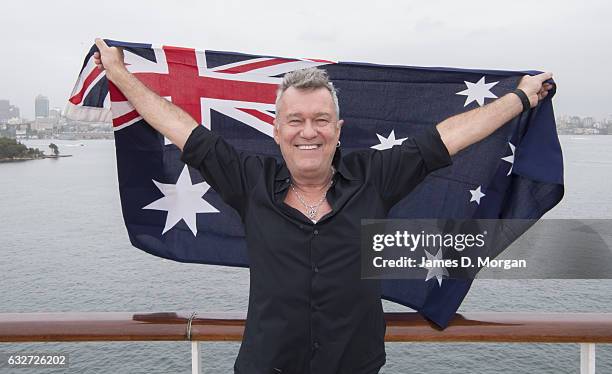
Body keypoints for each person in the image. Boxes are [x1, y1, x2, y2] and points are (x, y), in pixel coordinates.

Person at [93, 38, 553, 374]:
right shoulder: (247, 180)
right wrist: (120, 75)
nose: (307, 131)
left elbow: (449, 138)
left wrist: (520, 97)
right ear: (277, 130)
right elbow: (180, 127)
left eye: (320, 120)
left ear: (337, 128)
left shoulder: (375, 176)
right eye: (295, 120)